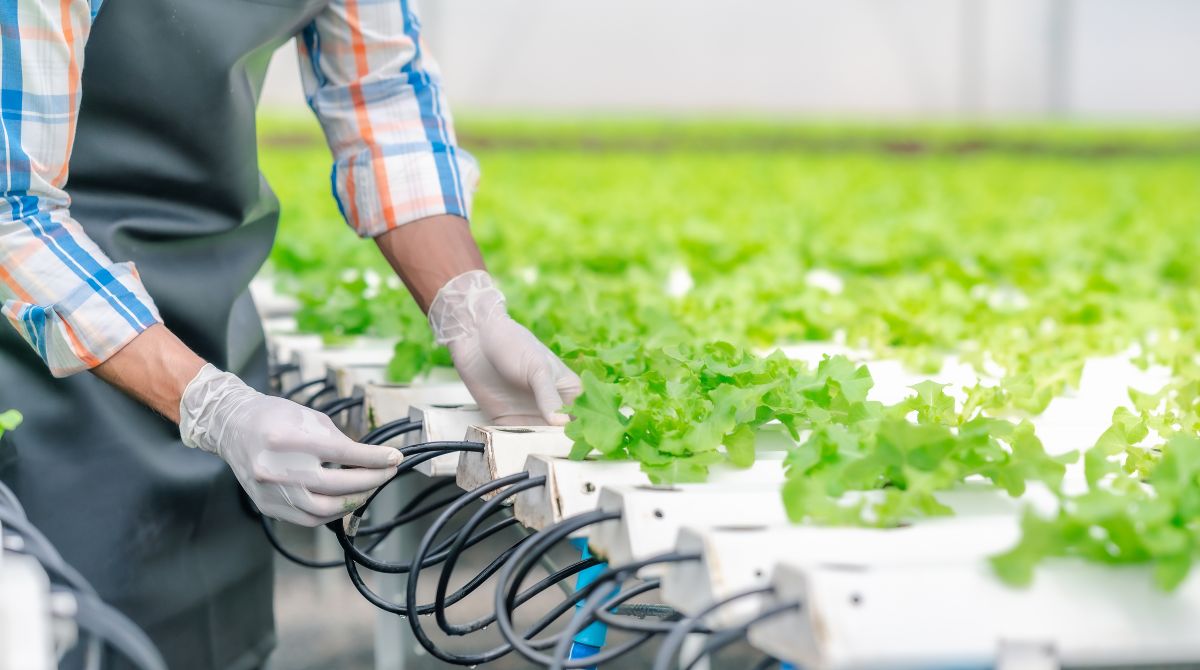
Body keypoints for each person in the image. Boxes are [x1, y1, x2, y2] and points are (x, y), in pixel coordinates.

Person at [0, 0, 581, 667]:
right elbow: (12, 211)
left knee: (210, 635)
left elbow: (386, 98)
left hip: (207, 299)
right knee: (76, 634)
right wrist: (211, 406)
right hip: (36, 348)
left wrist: (468, 309)